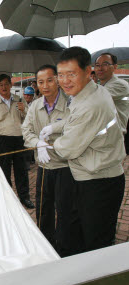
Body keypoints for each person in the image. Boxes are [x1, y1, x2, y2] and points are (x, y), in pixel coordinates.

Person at [50, 46, 125, 253]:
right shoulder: (91, 91)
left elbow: (67, 149)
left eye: (71, 74)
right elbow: (72, 122)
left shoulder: (91, 104)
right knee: (77, 236)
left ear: (87, 71)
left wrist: (52, 142)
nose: (65, 81)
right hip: (93, 175)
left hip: (99, 183)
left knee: (95, 246)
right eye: (61, 75)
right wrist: (57, 128)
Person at [21, 64, 76, 257]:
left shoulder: (71, 103)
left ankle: (64, 249)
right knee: (44, 209)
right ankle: (45, 247)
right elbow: (26, 131)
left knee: (65, 210)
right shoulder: (35, 106)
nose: (45, 85)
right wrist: (38, 143)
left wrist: (56, 130)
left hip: (65, 165)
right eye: (40, 82)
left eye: (50, 80)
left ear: (58, 80)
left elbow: (77, 130)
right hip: (44, 166)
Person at [0, 74, 35, 209]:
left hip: (19, 139)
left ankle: (24, 197)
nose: (4, 87)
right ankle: (6, 199)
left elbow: (29, 119)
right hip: (2, 139)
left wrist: (24, 110)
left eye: (6, 84)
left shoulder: (20, 100)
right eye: (0, 85)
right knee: (4, 170)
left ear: (11, 85)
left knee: (22, 170)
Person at [95, 52, 129, 134]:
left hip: (113, 137)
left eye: (105, 64)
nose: (100, 68)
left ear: (115, 67)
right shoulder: (101, 86)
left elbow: (96, 97)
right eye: (97, 65)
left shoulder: (120, 85)